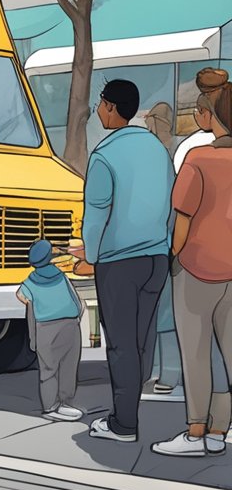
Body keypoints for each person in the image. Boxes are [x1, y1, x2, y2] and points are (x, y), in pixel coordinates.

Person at [75, 80, 174, 444]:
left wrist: (91, 255)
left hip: (119, 262)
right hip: (155, 259)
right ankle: (132, 404)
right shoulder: (156, 149)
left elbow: (96, 215)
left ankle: (124, 424)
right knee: (143, 338)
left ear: (112, 107)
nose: (99, 110)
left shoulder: (104, 155)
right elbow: (171, 204)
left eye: (101, 104)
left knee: (120, 344)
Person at [152, 77, 232, 458]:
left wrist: (173, 256)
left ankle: (197, 432)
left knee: (197, 355)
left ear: (209, 115)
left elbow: (181, 218)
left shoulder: (197, 159)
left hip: (197, 269)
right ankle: (220, 429)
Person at [18, 239, 84, 422]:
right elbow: (76, 300)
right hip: (70, 324)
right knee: (68, 366)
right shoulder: (61, 276)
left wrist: (33, 337)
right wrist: (77, 316)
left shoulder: (29, 283)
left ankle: (50, 406)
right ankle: (65, 402)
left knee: (48, 369)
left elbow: (23, 299)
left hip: (45, 328)